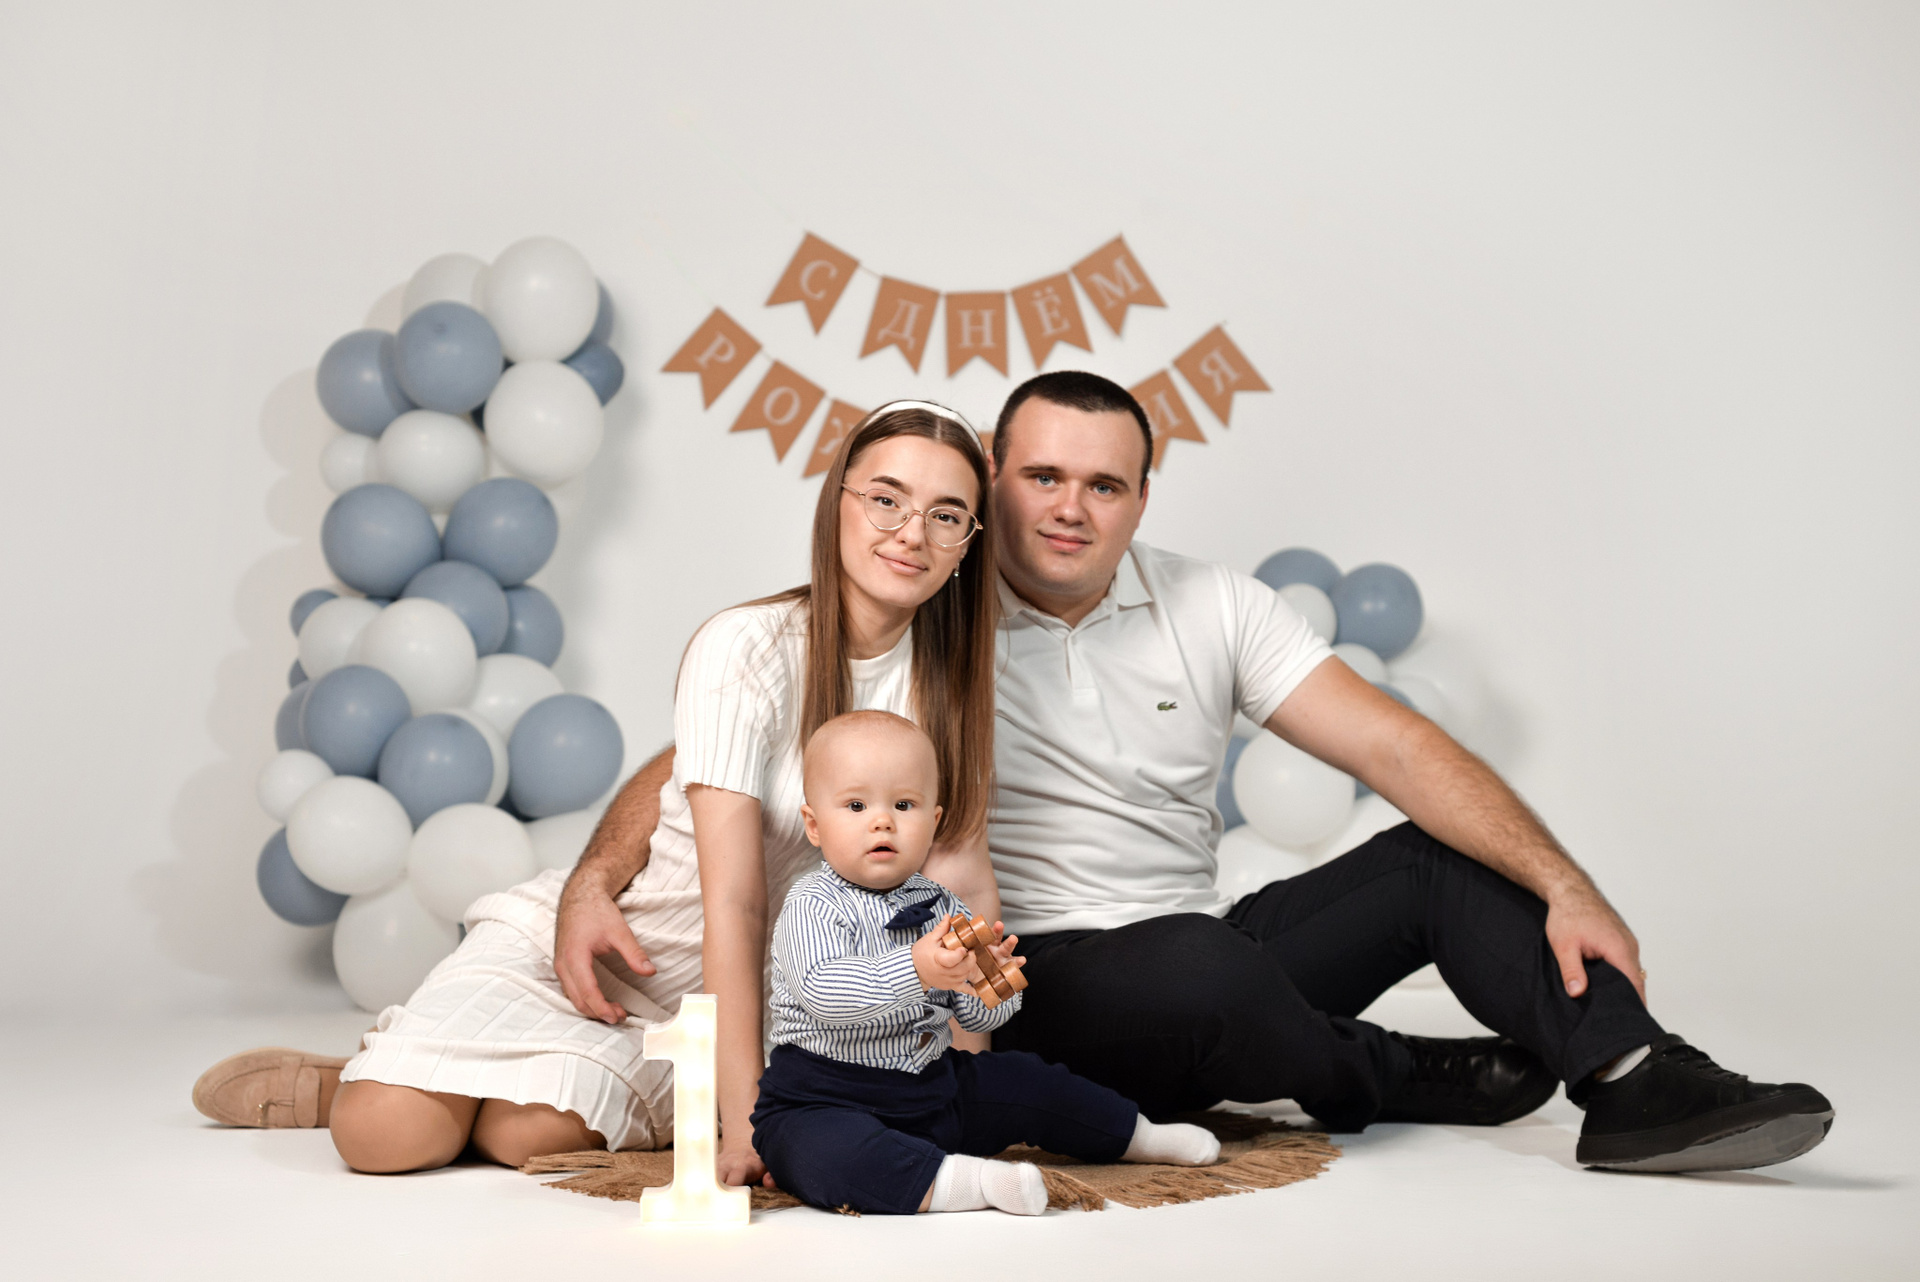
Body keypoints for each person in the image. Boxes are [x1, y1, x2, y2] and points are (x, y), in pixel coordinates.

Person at [554, 371, 1832, 1177]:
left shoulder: (1213, 604)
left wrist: (1565, 881)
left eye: (1103, 483)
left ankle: (1634, 1076)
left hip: (1207, 948)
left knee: (1430, 864)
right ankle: (1380, 1068)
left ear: (1141, 496)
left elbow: (1393, 744)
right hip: (1031, 972)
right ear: (991, 484)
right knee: (1200, 967)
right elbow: (720, 746)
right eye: (1040, 476)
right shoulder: (933, 603)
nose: (1070, 507)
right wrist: (594, 874)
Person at [195, 401, 1007, 1185]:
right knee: (384, 1136)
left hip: (738, 1004)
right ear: (838, 503)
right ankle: (370, 1077)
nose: (912, 533)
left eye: (946, 515)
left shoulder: (949, 690)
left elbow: (961, 887)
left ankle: (450, 1084)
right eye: (886, 499)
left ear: (969, 542)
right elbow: (735, 902)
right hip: (624, 944)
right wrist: (745, 1122)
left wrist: (965, 1091)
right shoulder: (748, 648)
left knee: (525, 1135)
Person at [751, 709, 1219, 1215]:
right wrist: (917, 969)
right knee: (825, 1156)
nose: (882, 820)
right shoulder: (812, 903)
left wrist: (989, 984)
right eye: (857, 805)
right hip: (822, 1096)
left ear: (933, 822)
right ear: (815, 825)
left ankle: (1134, 1134)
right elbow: (824, 992)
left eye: (904, 805)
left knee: (1027, 1080)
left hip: (931, 1085)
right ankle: (966, 1183)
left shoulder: (942, 905)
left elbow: (975, 1019)